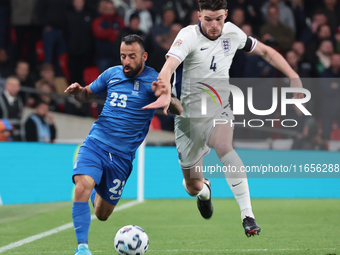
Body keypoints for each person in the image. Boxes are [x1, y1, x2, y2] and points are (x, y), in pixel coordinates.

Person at [144, 0, 305, 237]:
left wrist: (293, 75)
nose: (213, 25)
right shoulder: (187, 36)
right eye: (208, 19)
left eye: (218, 18)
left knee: (223, 146)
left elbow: (266, 52)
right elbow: (168, 67)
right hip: (188, 119)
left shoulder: (232, 32)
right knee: (192, 186)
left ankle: (247, 215)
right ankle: (205, 190)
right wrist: (165, 89)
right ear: (199, 15)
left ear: (226, 15)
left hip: (219, 108)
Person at [64, 34, 182, 255]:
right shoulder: (111, 74)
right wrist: (78, 92)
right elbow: (87, 95)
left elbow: (178, 108)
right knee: (81, 187)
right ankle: (82, 248)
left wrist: (166, 97)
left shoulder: (155, 80)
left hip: (121, 159)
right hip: (96, 143)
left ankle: (93, 182)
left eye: (132, 57)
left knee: (102, 213)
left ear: (144, 56)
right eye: (123, 56)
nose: (126, 62)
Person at [0, 76, 23, 141]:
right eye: (11, 85)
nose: (14, 87)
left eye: (16, 85)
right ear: (5, 86)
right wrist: (4, 129)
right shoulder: (1, 99)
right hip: (2, 136)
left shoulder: (19, 100)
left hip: (16, 136)